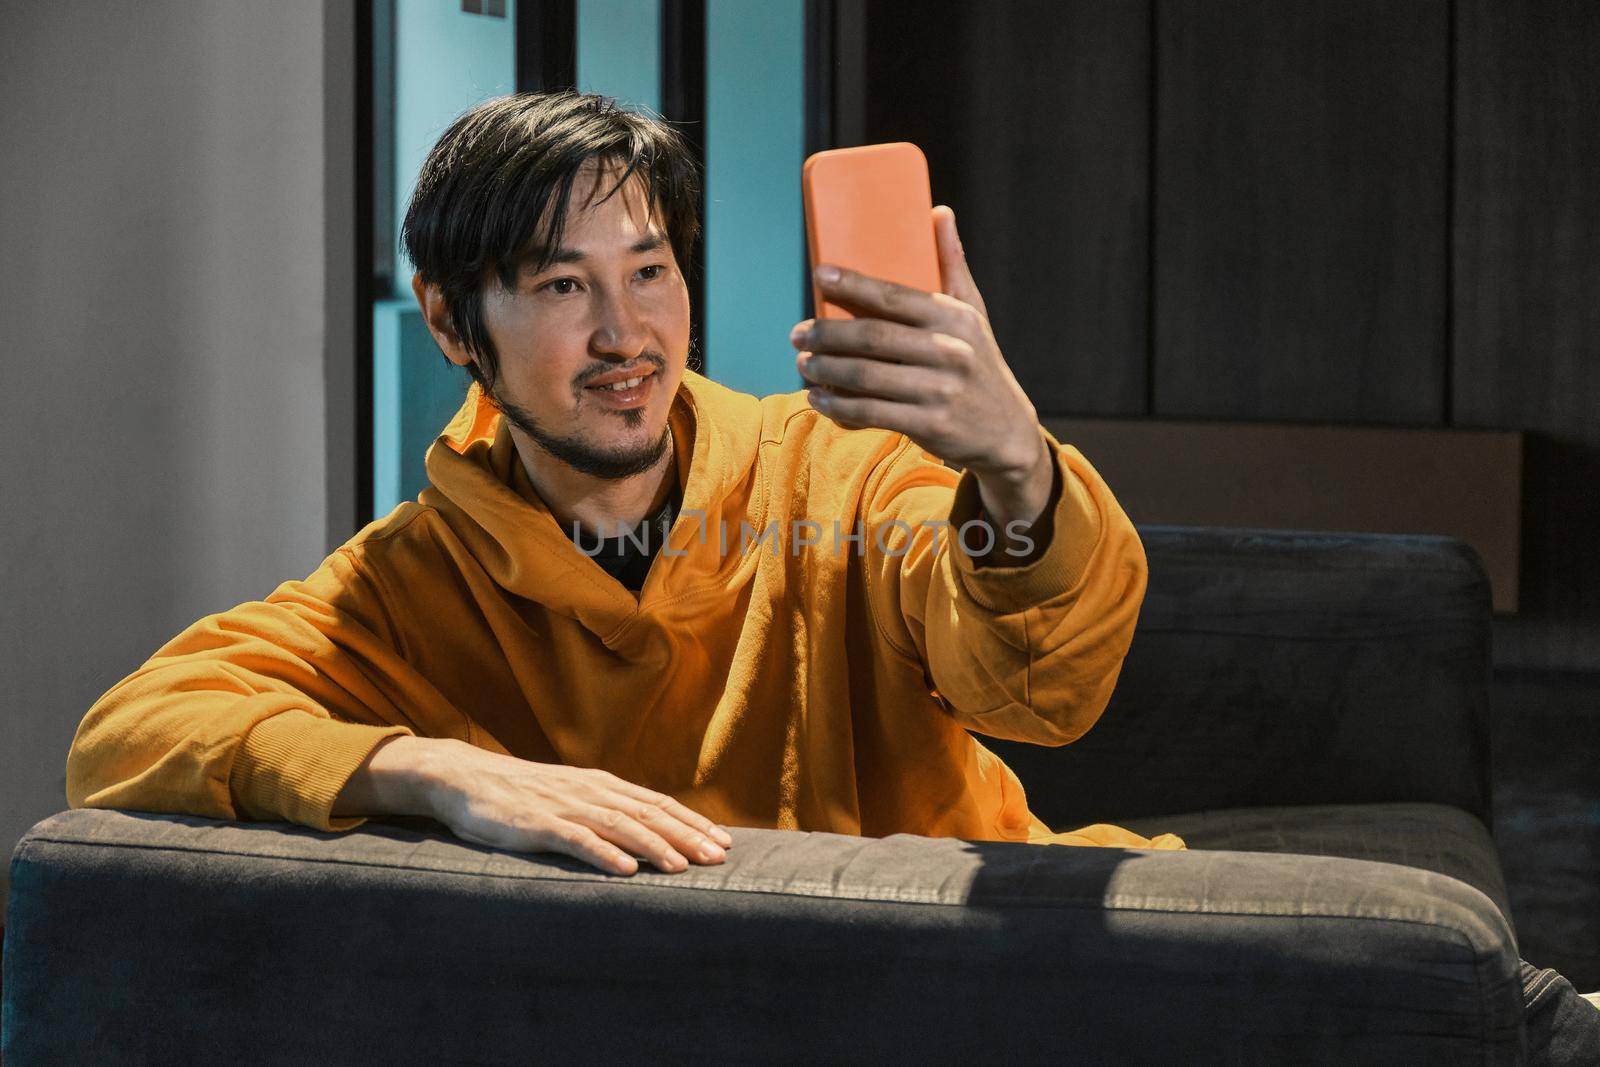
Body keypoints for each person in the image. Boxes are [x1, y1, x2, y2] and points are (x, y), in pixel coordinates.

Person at [64, 90, 1596, 1059]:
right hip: (729, 1014)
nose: (626, 336)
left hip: (972, 978)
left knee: (1446, 980)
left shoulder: (829, 471)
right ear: (453, 323)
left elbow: (1040, 691)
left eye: (649, 271)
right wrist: (431, 770)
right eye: (559, 287)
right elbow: (131, 734)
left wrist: (1012, 463)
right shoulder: (406, 582)